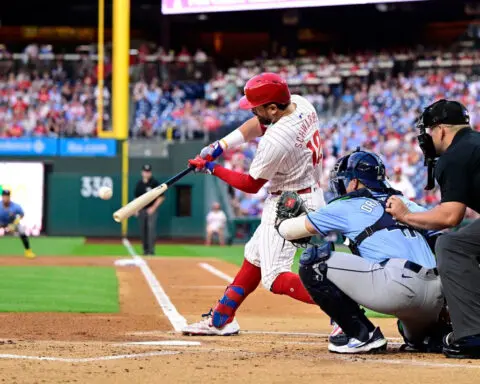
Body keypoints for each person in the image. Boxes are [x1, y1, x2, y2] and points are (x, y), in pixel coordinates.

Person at [182, 72, 326, 336]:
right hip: (304, 193)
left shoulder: (277, 139)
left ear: (272, 108)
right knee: (254, 257)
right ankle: (221, 318)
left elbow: (251, 184)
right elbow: (260, 124)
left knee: (274, 277)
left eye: (257, 107)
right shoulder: (299, 103)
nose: (253, 111)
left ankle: (342, 312)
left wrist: (212, 168)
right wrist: (221, 144)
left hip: (290, 205)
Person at [275, 149, 447, 354]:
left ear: (354, 182)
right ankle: (436, 334)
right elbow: (443, 243)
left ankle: (360, 334)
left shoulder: (347, 204)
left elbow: (288, 231)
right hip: (437, 296)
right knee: (412, 332)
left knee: (313, 262)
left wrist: (283, 218)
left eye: (345, 180)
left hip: (398, 288)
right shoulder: (409, 205)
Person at [387, 99, 480, 359]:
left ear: (440, 130)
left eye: (428, 131)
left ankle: (473, 334)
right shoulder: (473, 144)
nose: (427, 138)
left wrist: (405, 216)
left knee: (452, 245)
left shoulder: (454, 155)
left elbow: (450, 216)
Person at [134, 164, 164, 256]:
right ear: (142, 172)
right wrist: (135, 209)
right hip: (142, 210)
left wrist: (153, 208)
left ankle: (151, 251)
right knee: (143, 230)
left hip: (151, 210)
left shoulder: (154, 183)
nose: (146, 173)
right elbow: (136, 198)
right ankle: (145, 250)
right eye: (145, 171)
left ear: (150, 172)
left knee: (151, 230)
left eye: (148, 172)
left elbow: (161, 197)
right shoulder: (139, 184)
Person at [0, 190, 35, 258]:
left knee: (22, 231)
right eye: (4, 196)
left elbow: (22, 214)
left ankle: (28, 252)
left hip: (12, 223)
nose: (6, 198)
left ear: (10, 197)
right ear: (2, 197)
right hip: (1, 222)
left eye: (7, 196)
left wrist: (14, 224)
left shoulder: (15, 206)